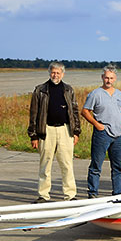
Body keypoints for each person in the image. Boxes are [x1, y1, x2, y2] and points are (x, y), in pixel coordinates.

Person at [27, 62, 81, 203]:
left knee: (67, 164)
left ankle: (70, 195)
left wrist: (76, 132)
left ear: (63, 74)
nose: (55, 75)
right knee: (45, 164)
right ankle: (43, 195)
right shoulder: (40, 90)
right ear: (49, 73)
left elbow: (75, 111)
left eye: (58, 73)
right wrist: (33, 135)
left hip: (65, 130)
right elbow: (33, 113)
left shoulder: (68, 90)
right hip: (46, 130)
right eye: (53, 72)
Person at [81, 64, 121, 198]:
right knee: (96, 165)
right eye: (106, 78)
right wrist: (97, 124)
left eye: (111, 78)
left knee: (118, 167)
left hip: (118, 134)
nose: (109, 80)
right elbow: (85, 111)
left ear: (115, 78)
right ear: (102, 77)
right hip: (102, 133)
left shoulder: (119, 94)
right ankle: (93, 193)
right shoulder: (95, 94)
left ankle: (118, 193)